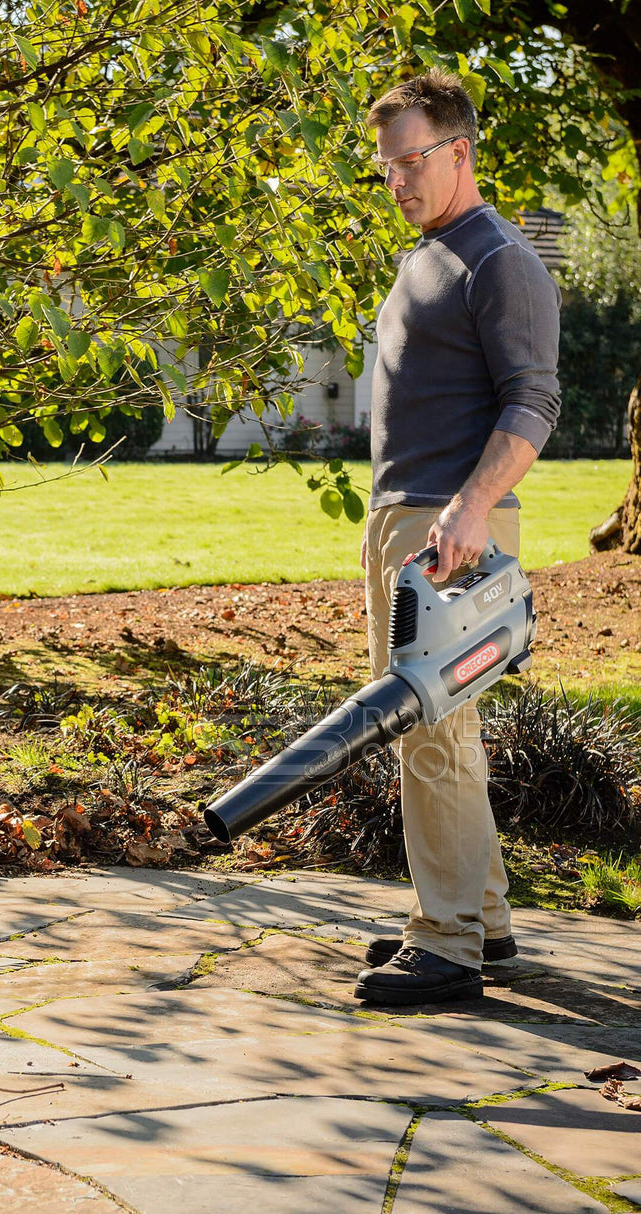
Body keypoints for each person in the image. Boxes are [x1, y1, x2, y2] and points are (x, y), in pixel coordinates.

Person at [353, 69, 561, 1005]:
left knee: (425, 729)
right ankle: (484, 919)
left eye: (412, 161)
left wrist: (471, 509)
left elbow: (535, 400)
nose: (397, 181)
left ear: (461, 151)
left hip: (453, 524)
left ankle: (445, 945)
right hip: (409, 516)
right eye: (386, 166)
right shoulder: (429, 253)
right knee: (444, 726)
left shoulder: (499, 259)